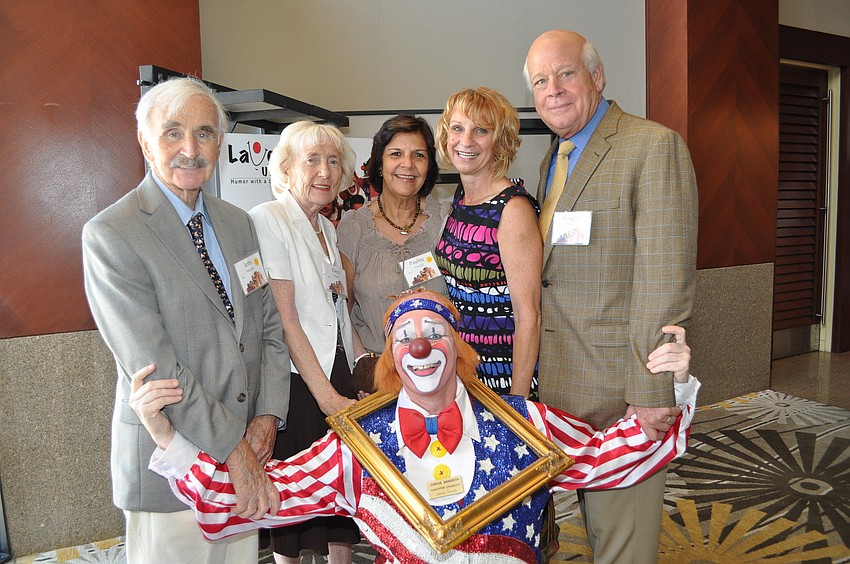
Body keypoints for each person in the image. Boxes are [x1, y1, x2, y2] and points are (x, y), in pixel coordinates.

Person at [129, 289, 699, 563]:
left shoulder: (522, 423)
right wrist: (167, 438)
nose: (420, 345)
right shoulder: (358, 444)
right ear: (391, 358)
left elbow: (605, 457)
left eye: (434, 332)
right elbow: (268, 499)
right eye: (405, 336)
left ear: (458, 348)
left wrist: (669, 391)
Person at [81, 77, 291, 563]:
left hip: (245, 459)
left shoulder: (239, 223)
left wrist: (267, 416)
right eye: (173, 133)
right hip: (173, 466)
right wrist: (234, 448)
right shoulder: (113, 234)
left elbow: (267, 328)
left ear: (221, 141)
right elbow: (158, 368)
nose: (190, 149)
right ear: (144, 140)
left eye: (205, 133)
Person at [525, 30, 699, 562]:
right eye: (539, 81)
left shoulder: (652, 146)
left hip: (622, 397)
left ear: (597, 77)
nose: (552, 89)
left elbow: (664, 279)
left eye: (566, 73)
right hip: (560, 390)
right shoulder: (553, 158)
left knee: (621, 548)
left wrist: (650, 391)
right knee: (582, 538)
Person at [248, 121, 361, 563]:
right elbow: (286, 319)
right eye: (312, 160)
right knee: (294, 513)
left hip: (335, 375)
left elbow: (337, 309)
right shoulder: (270, 219)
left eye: (333, 161)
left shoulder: (328, 229)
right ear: (287, 167)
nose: (325, 171)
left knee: (340, 505)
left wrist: (358, 372)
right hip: (299, 383)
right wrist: (328, 397)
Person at [434, 87, 543, 399]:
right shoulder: (461, 199)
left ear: (500, 140)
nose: (465, 141)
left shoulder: (512, 209)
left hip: (504, 378)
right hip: (464, 372)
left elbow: (529, 316)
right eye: (457, 128)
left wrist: (517, 404)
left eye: (480, 130)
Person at [338, 115, 451, 392]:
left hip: (442, 379)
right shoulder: (353, 228)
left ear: (429, 166)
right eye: (396, 154)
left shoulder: (447, 220)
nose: (408, 164)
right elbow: (342, 309)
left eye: (419, 155)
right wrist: (363, 364)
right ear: (379, 163)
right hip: (376, 382)